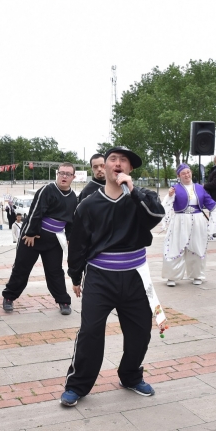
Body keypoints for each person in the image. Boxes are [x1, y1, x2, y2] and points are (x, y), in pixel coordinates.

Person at [61, 146, 165, 407]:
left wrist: (134, 191)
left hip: (136, 276)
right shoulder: (88, 204)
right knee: (90, 332)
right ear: (103, 167)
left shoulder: (142, 198)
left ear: (129, 169)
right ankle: (77, 385)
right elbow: (78, 244)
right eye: (113, 160)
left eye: (124, 161)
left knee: (141, 332)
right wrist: (75, 276)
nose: (118, 164)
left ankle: (130, 376)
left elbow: (155, 217)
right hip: (100, 277)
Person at [2, 162, 77, 315]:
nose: (64, 176)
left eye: (68, 174)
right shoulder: (47, 190)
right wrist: (30, 233)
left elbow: (71, 221)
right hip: (33, 236)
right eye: (61, 173)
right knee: (21, 269)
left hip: (54, 240)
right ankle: (9, 297)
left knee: (55, 272)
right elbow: (36, 212)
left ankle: (63, 301)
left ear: (73, 177)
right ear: (57, 174)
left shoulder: (73, 197)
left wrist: (70, 238)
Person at [161, 164, 216, 287]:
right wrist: (170, 195)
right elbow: (167, 204)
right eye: (183, 173)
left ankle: (197, 275)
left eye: (188, 172)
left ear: (191, 173)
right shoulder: (175, 188)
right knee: (175, 246)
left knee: (198, 246)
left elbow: (210, 202)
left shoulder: (199, 188)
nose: (187, 175)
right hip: (180, 220)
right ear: (179, 176)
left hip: (197, 220)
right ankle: (172, 277)